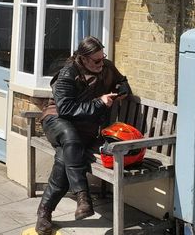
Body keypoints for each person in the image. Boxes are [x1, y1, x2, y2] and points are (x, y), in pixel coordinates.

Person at [34, 36, 131, 235]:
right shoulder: (68, 73)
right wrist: (100, 103)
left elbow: (122, 82)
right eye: (96, 60)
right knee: (70, 137)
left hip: (84, 129)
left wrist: (121, 90)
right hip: (57, 120)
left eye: (102, 58)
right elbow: (66, 109)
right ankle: (82, 195)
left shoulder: (106, 68)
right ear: (83, 59)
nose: (101, 63)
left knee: (64, 158)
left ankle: (44, 213)